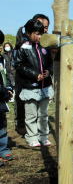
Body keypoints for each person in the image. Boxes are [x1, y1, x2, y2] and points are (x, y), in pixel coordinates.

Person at [15, 19, 53, 147]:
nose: (39, 37)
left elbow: (50, 63)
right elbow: (19, 66)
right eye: (36, 33)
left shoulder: (45, 46)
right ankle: (32, 137)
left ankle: (43, 136)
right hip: (30, 87)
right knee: (31, 115)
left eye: (41, 34)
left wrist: (48, 72)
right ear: (28, 33)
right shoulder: (23, 47)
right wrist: (34, 75)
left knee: (43, 114)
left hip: (45, 87)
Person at [0, 30, 14, 166]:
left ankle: (3, 149)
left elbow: (6, 76)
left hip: (1, 98)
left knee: (2, 125)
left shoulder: (2, 60)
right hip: (1, 93)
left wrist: (9, 88)